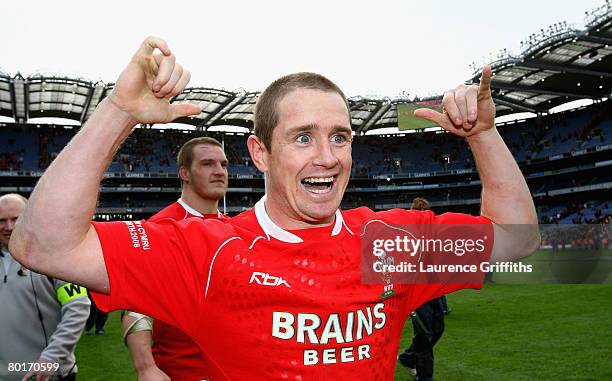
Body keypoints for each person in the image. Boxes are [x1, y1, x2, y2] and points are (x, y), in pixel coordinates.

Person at [9, 37, 540, 380]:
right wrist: (119, 113)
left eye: (340, 136)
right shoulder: (209, 252)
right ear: (260, 152)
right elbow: (41, 243)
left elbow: (517, 239)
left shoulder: (387, 245)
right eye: (303, 138)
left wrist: (486, 135)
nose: (328, 158)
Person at [122, 136, 229, 381]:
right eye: (207, 164)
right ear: (185, 173)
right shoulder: (160, 228)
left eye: (223, 165)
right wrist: (145, 367)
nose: (219, 171)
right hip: (182, 371)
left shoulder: (234, 229)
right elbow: (136, 305)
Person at [0, 194, 90, 381]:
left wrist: (52, 357)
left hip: (46, 374)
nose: (8, 227)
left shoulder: (56, 259)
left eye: (15, 219)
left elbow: (78, 307)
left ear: (29, 218)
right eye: (1, 220)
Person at [397, 197, 447, 381]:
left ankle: (408, 356)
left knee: (438, 328)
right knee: (425, 334)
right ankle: (425, 377)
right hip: (416, 293)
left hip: (432, 291)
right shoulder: (404, 236)